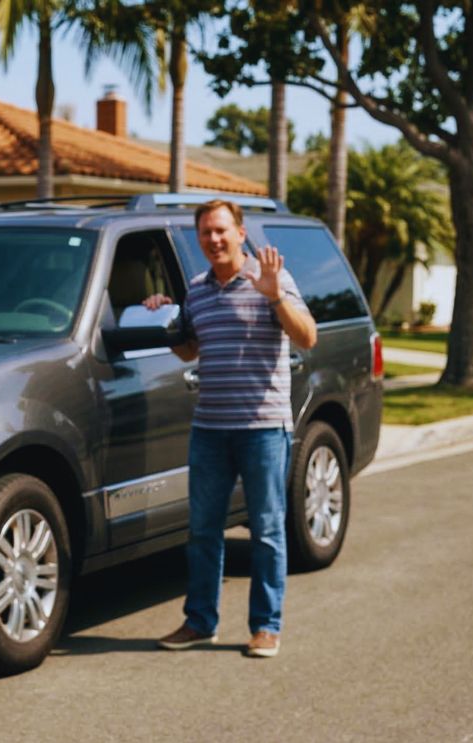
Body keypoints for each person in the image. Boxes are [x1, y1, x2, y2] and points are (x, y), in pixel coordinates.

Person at [145, 199, 317, 658]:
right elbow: (190, 350)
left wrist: (275, 295)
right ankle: (200, 622)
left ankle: (266, 626)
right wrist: (163, 316)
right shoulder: (197, 290)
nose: (214, 240)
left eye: (222, 230)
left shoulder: (271, 278)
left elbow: (307, 337)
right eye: (206, 233)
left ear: (241, 233)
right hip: (210, 429)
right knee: (202, 530)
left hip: (263, 428)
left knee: (265, 530)